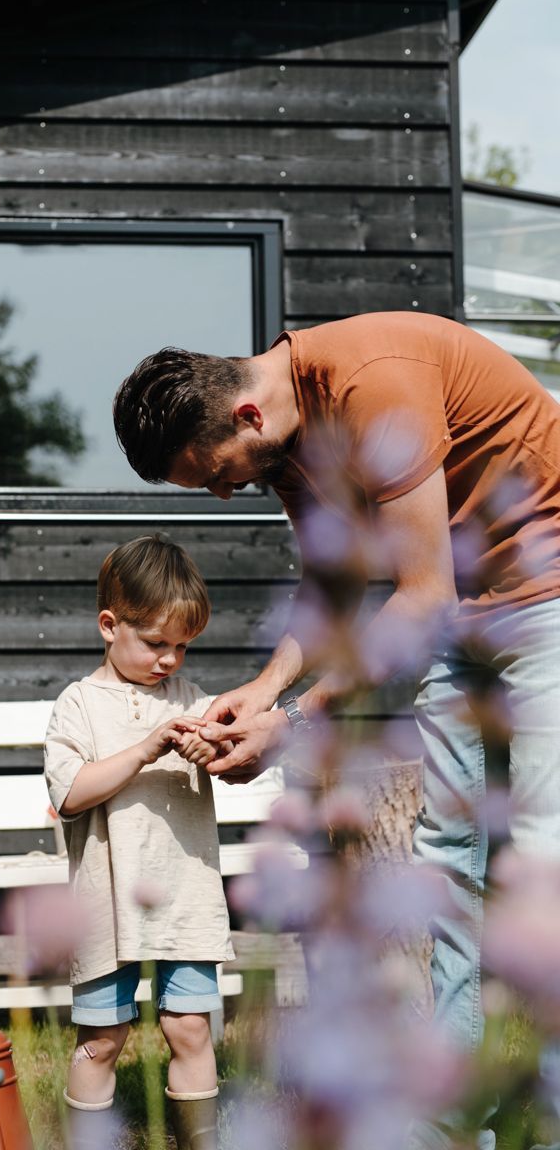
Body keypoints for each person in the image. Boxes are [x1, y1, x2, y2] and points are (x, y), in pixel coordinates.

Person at [112, 310, 560, 1147]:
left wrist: (293, 720)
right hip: (463, 613)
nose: (223, 493)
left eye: (216, 475)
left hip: (547, 597)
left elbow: (419, 595)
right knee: (446, 860)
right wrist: (264, 689)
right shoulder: (284, 444)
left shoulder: (371, 380)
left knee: (542, 859)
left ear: (246, 414)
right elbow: (332, 581)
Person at [43, 534, 234, 1150]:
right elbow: (71, 794)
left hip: (185, 897)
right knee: (102, 1039)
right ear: (109, 626)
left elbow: (236, 751)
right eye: (155, 643)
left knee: (190, 1030)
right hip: (107, 904)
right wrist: (147, 748)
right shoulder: (79, 704)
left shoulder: (195, 702)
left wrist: (215, 745)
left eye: (183, 646)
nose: (170, 660)